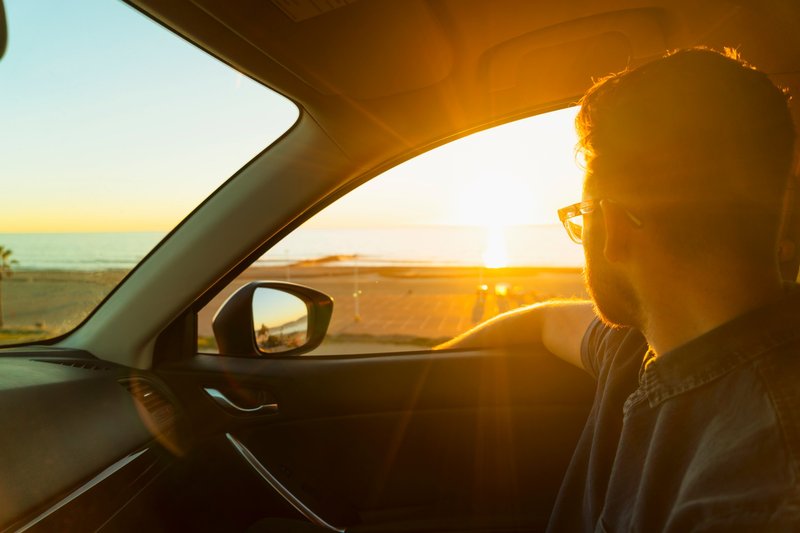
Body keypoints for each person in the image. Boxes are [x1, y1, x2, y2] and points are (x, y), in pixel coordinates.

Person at [440, 48, 800, 531]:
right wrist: (442, 357)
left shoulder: (757, 497)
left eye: (581, 216)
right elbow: (544, 320)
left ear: (612, 226)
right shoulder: (641, 344)